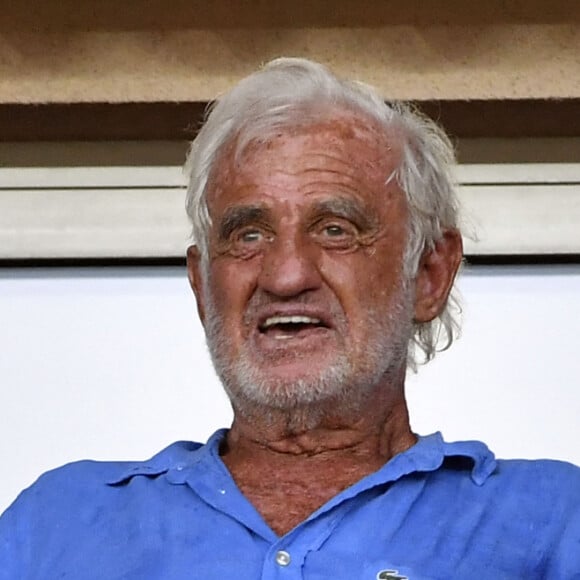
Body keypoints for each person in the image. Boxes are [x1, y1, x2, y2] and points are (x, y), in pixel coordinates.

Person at [1, 58, 579, 579]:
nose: (284, 276)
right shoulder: (55, 528)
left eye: (335, 230)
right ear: (202, 286)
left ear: (428, 276)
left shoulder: (553, 525)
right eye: (247, 234)